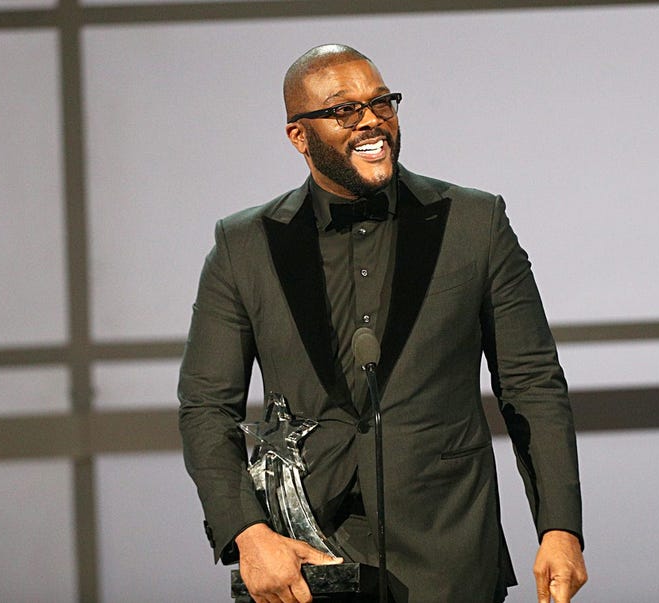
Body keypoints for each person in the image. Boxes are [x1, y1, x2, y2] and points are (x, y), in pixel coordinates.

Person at [178, 43, 587, 603]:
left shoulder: (474, 222)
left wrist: (559, 527)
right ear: (299, 136)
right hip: (306, 558)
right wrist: (248, 535)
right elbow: (206, 406)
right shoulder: (244, 245)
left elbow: (532, 383)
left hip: (450, 552)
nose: (372, 120)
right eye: (344, 109)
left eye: (382, 102)